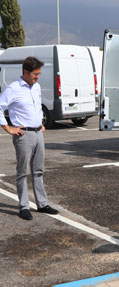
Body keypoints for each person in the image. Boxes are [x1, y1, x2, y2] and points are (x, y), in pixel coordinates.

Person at [0, 56, 59, 220]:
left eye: (39, 74)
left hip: (38, 133)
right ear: (25, 72)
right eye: (35, 74)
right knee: (22, 172)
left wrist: (40, 123)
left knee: (39, 170)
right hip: (23, 135)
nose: (37, 77)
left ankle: (42, 204)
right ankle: (24, 207)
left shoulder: (36, 87)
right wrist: (9, 129)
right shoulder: (13, 89)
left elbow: (37, 106)